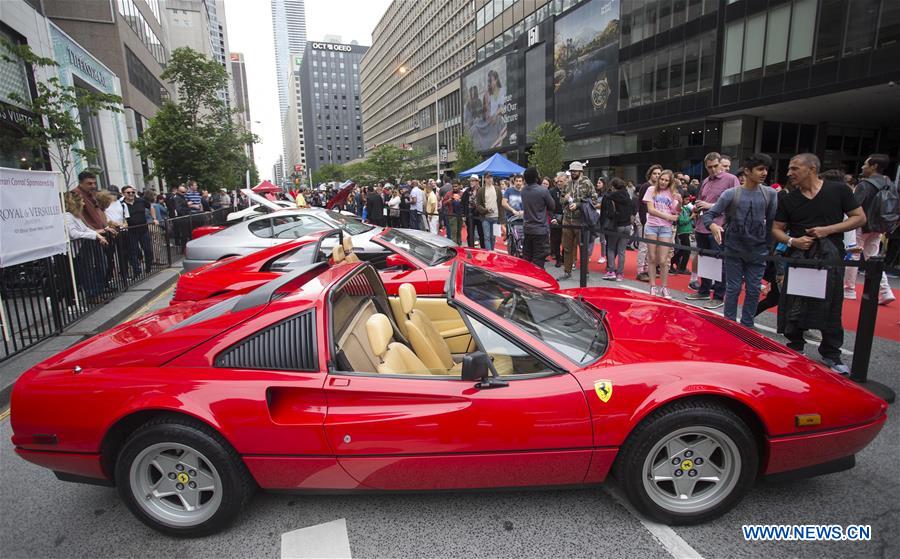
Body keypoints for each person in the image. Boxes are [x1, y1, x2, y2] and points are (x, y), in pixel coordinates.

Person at [772, 153, 866, 375]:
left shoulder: (838, 190)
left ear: (811, 168)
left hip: (830, 257)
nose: (789, 173)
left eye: (795, 168)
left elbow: (859, 218)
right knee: (795, 301)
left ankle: (831, 353)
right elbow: (776, 229)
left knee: (832, 303)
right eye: (789, 169)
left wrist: (828, 230)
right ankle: (795, 346)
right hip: (799, 257)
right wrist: (793, 240)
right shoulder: (788, 199)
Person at [702, 154, 778, 327]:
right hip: (733, 249)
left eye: (766, 169)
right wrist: (713, 226)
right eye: (760, 169)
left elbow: (772, 224)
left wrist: (768, 248)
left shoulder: (770, 194)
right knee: (733, 288)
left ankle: (747, 325)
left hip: (758, 252)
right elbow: (709, 215)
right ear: (747, 171)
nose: (764, 173)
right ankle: (729, 325)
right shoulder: (731, 194)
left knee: (753, 290)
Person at [686, 152, 738, 308]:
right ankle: (704, 290)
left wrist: (711, 206)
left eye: (716, 166)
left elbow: (735, 203)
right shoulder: (706, 181)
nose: (714, 170)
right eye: (710, 167)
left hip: (719, 226)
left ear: (721, 164)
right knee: (705, 261)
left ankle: (719, 296)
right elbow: (702, 199)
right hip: (702, 225)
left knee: (719, 262)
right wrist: (696, 208)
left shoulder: (731, 179)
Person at [844, 153, 896, 305]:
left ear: (874, 166)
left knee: (853, 254)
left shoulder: (865, 185)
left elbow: (853, 207)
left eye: (866, 164)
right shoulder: (890, 183)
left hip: (861, 225)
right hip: (880, 225)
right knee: (873, 257)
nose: (862, 167)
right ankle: (885, 290)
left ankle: (849, 289)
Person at [643, 170, 681, 298]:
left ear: (670, 182)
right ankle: (653, 286)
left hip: (665, 228)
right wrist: (667, 216)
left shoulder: (672, 193)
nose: (663, 182)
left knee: (664, 260)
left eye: (666, 180)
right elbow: (651, 209)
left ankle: (664, 287)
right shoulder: (651, 190)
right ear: (658, 179)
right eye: (662, 179)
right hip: (652, 227)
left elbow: (676, 211)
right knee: (652, 258)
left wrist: (679, 202)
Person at [63, 192, 109, 301]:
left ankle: (95, 293)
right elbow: (74, 234)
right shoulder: (67, 217)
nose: (83, 204)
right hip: (76, 251)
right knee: (85, 274)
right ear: (75, 203)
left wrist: (97, 235)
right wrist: (95, 235)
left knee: (89, 271)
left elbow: (85, 229)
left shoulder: (76, 216)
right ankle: (91, 296)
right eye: (81, 201)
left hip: (83, 249)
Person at [559, 162, 597, 280]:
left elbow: (594, 200)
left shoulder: (587, 183)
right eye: (571, 171)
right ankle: (567, 271)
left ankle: (585, 273)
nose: (573, 173)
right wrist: (564, 199)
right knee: (567, 247)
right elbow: (560, 200)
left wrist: (579, 205)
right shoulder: (567, 183)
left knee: (583, 248)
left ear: (581, 171)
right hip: (567, 219)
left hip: (581, 220)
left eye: (575, 171)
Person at [519, 167, 556, 269]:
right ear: (536, 177)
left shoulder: (523, 191)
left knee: (527, 258)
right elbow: (552, 206)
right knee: (538, 260)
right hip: (540, 230)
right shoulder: (543, 191)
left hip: (527, 228)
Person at [601, 177, 635, 281]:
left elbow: (608, 214)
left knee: (611, 248)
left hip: (616, 226)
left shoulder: (609, 197)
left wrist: (602, 224)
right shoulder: (628, 196)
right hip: (627, 225)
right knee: (622, 251)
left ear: (612, 187)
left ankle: (611, 271)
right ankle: (620, 273)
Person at [122, 185, 157, 277]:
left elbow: (151, 207)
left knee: (147, 249)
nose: (131, 194)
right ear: (123, 194)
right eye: (128, 192)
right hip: (131, 231)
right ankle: (137, 271)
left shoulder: (140, 201)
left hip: (143, 230)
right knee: (133, 252)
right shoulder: (121, 204)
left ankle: (148, 267)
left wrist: (154, 218)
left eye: (133, 192)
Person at [636, 165, 662, 282]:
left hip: (652, 218)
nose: (657, 175)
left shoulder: (657, 188)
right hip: (644, 217)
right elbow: (641, 204)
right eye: (655, 173)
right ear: (650, 174)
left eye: (658, 174)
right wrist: (643, 220)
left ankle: (647, 269)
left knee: (650, 246)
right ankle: (640, 270)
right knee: (643, 246)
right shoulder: (646, 186)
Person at [476, 173, 505, 250]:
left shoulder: (497, 189)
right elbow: (478, 205)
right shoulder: (481, 190)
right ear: (485, 179)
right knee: (487, 237)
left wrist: (501, 219)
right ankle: (490, 253)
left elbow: (501, 205)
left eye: (491, 177)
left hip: (496, 217)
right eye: (488, 178)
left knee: (493, 237)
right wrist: (485, 210)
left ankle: (492, 251)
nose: (490, 179)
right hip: (485, 217)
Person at [502, 174, 525, 256]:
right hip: (511, 218)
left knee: (523, 237)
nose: (518, 183)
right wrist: (513, 210)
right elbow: (503, 203)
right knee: (513, 237)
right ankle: (512, 253)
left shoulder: (525, 192)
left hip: (523, 218)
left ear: (522, 182)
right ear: (514, 181)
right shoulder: (509, 191)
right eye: (517, 181)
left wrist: (524, 211)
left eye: (520, 181)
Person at [548, 174, 565, 267]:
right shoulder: (552, 192)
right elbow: (549, 207)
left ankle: (564, 258)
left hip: (566, 217)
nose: (559, 183)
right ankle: (558, 258)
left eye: (561, 181)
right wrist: (552, 217)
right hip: (556, 217)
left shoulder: (568, 191)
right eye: (557, 181)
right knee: (556, 240)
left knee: (566, 240)